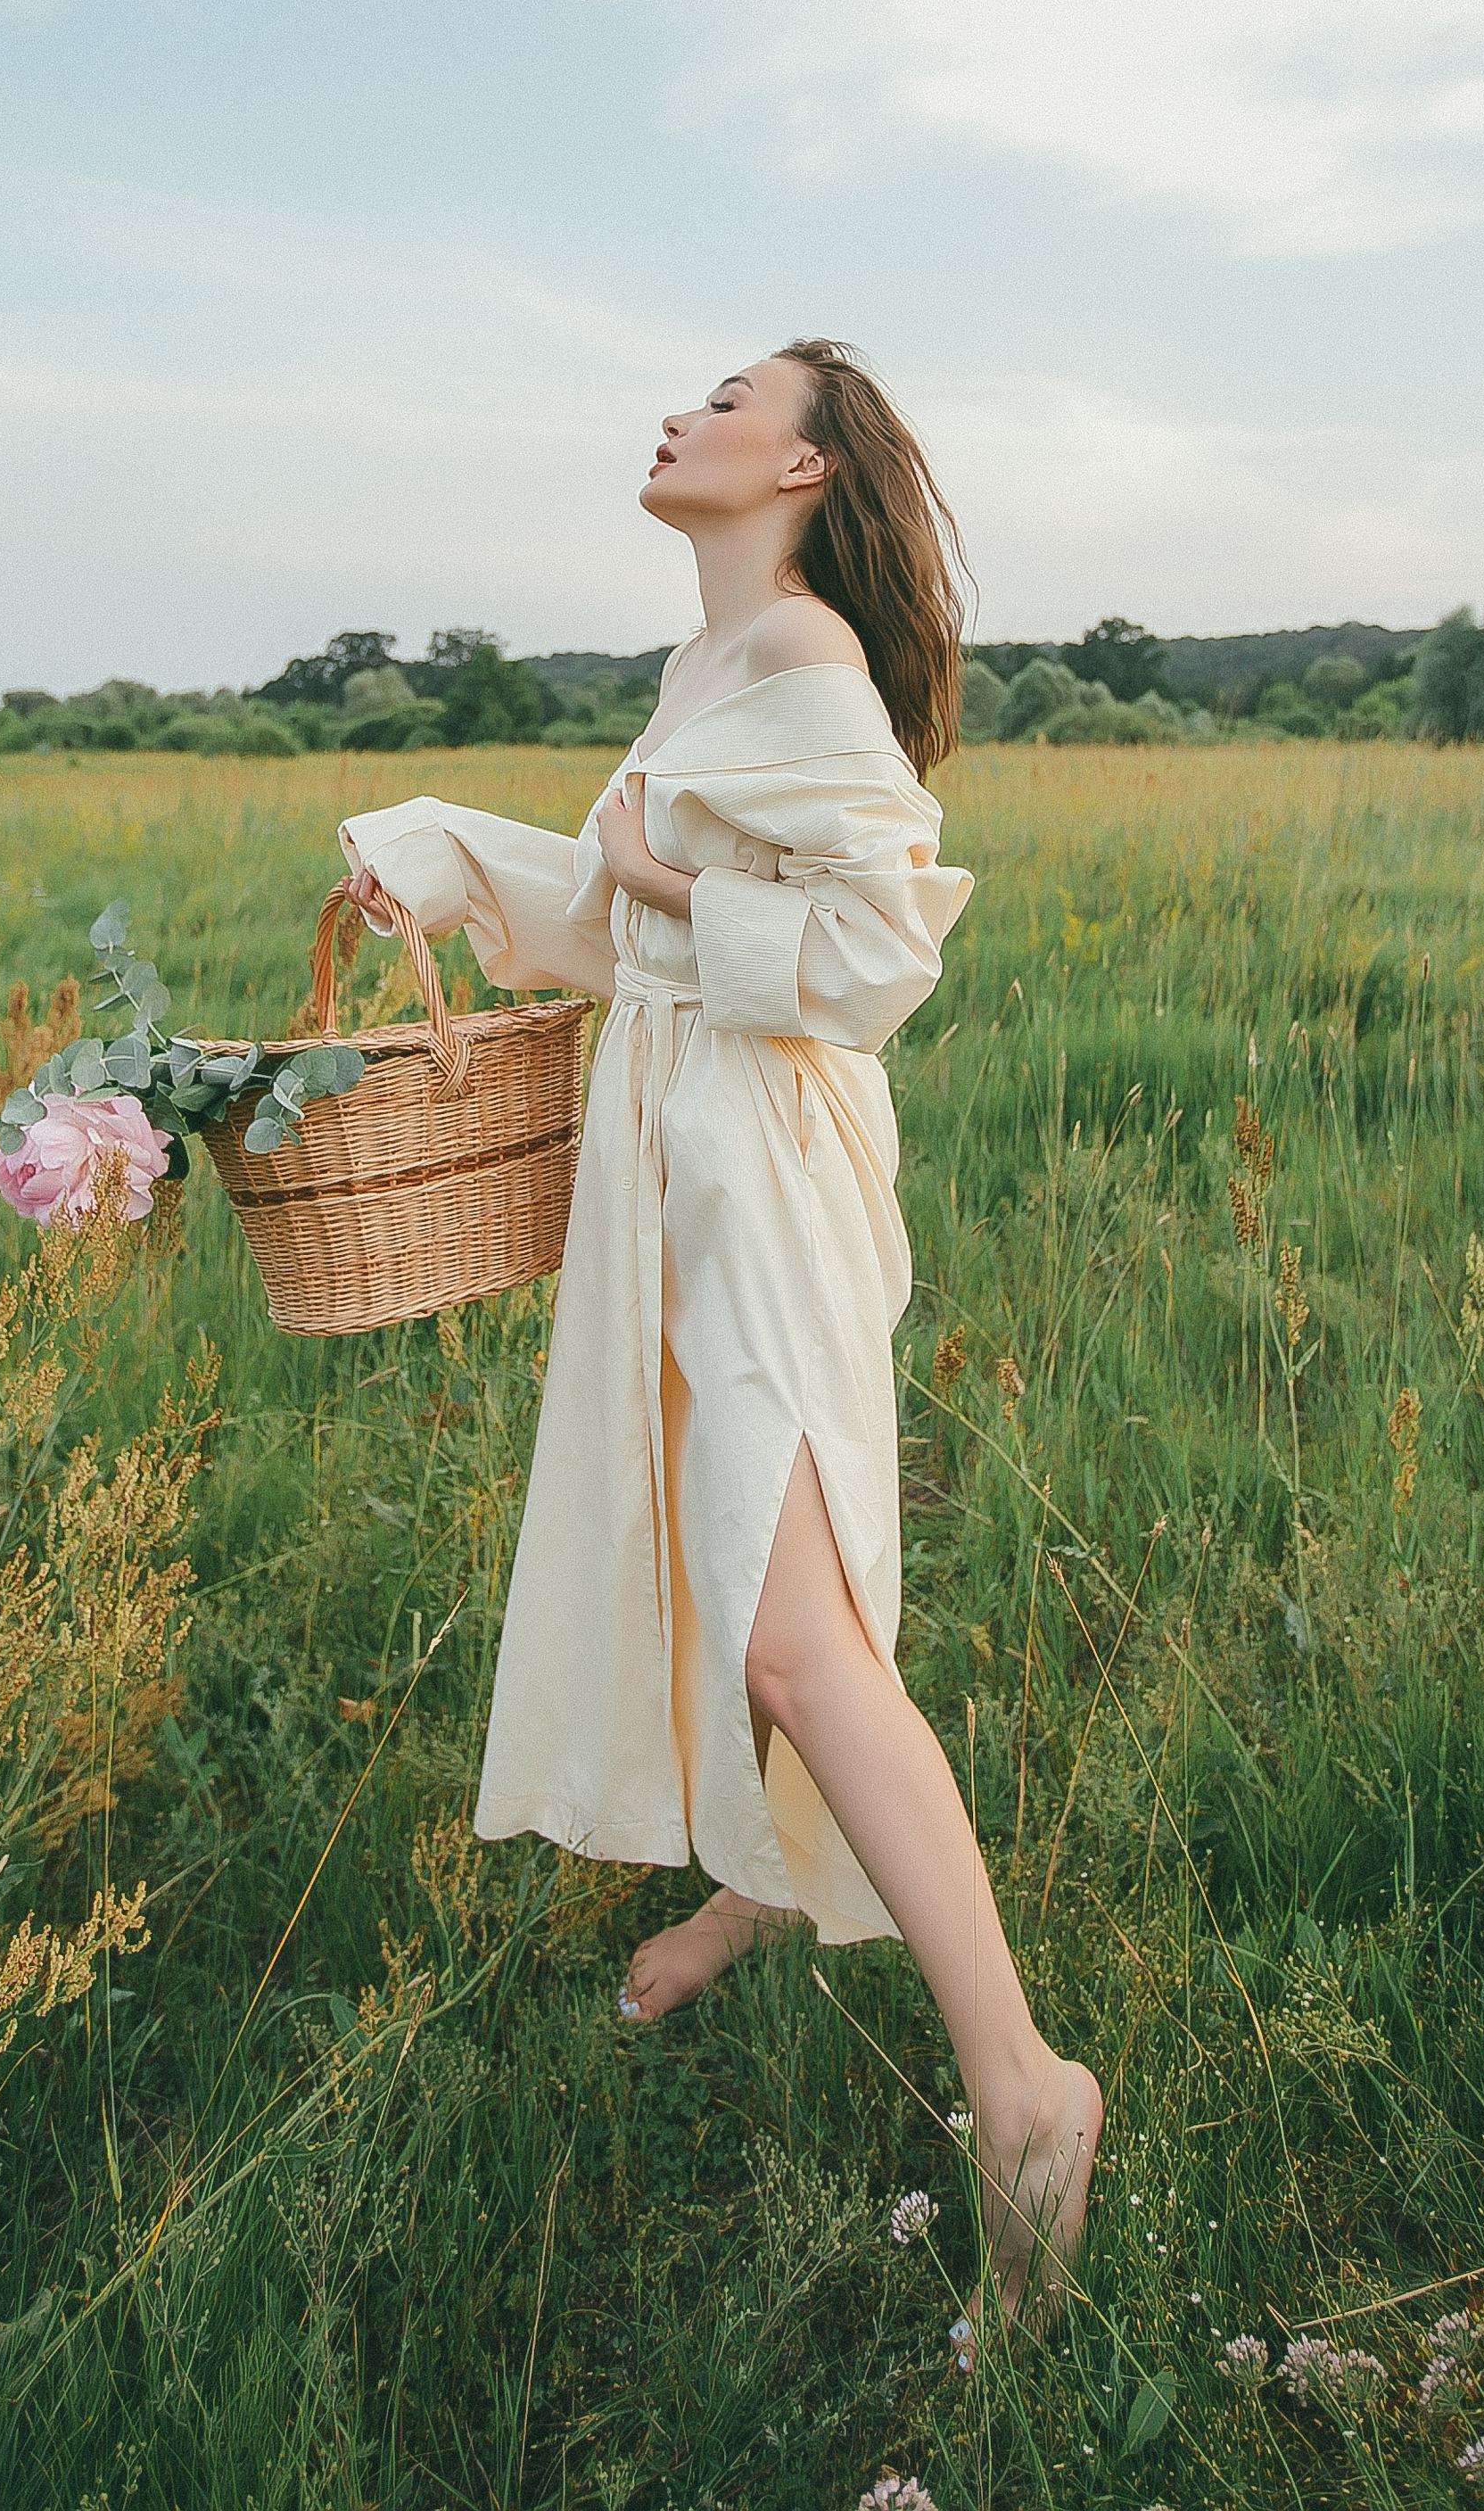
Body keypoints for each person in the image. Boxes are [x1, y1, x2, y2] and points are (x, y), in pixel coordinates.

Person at [338, 339, 1101, 2346]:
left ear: (804, 460)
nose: (675, 411)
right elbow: (625, 930)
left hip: (757, 1159)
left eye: (724, 392)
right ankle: (758, 1892)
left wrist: (664, 872)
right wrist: (443, 841)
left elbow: (867, 958)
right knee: (731, 1557)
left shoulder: (811, 671)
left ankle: (1025, 2091)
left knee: (790, 1621)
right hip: (669, 1147)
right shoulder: (712, 667)